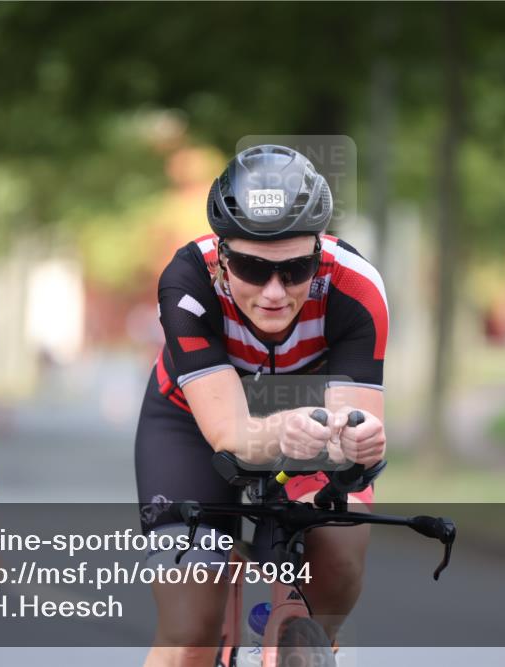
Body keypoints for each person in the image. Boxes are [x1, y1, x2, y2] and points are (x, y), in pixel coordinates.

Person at [135, 144, 389, 667]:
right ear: (223, 257)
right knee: (189, 630)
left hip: (310, 421)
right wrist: (284, 434)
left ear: (318, 255)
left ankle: (293, 643)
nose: (274, 292)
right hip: (193, 420)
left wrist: (360, 441)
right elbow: (230, 432)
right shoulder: (186, 282)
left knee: (339, 560)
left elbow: (354, 427)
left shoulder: (355, 289)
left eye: (295, 270)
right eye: (252, 268)